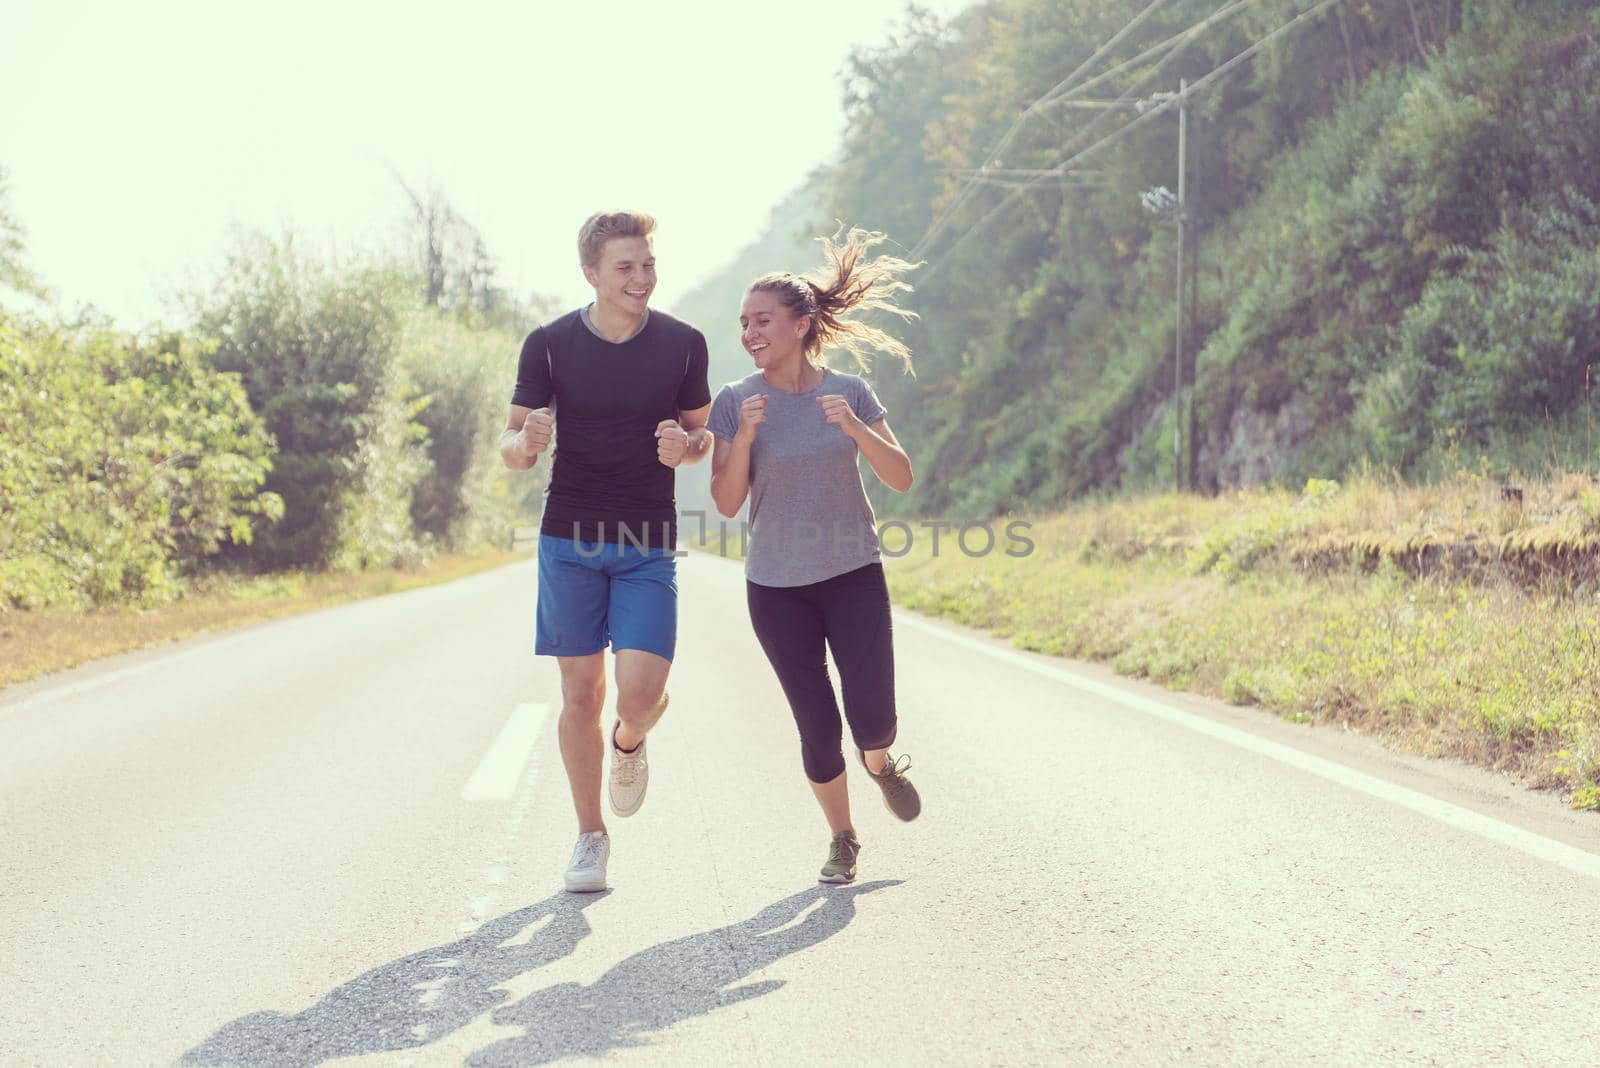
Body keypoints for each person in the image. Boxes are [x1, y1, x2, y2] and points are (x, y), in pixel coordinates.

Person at [502, 210, 711, 893]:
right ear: (590, 274)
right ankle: (590, 836)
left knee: (642, 694)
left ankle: (630, 742)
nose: (641, 277)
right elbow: (511, 452)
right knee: (580, 691)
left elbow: (701, 436)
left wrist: (690, 447)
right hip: (568, 537)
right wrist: (527, 443)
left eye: (647, 264)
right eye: (625, 267)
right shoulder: (550, 345)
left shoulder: (684, 344)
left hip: (646, 541)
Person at [707, 227, 922, 885]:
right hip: (775, 586)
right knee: (817, 727)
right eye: (744, 322)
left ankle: (882, 765)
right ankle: (843, 838)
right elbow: (724, 500)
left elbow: (901, 476)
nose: (749, 332)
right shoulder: (736, 401)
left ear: (801, 326)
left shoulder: (851, 392)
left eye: (762, 320)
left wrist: (854, 428)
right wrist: (741, 437)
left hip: (853, 573)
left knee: (873, 720)